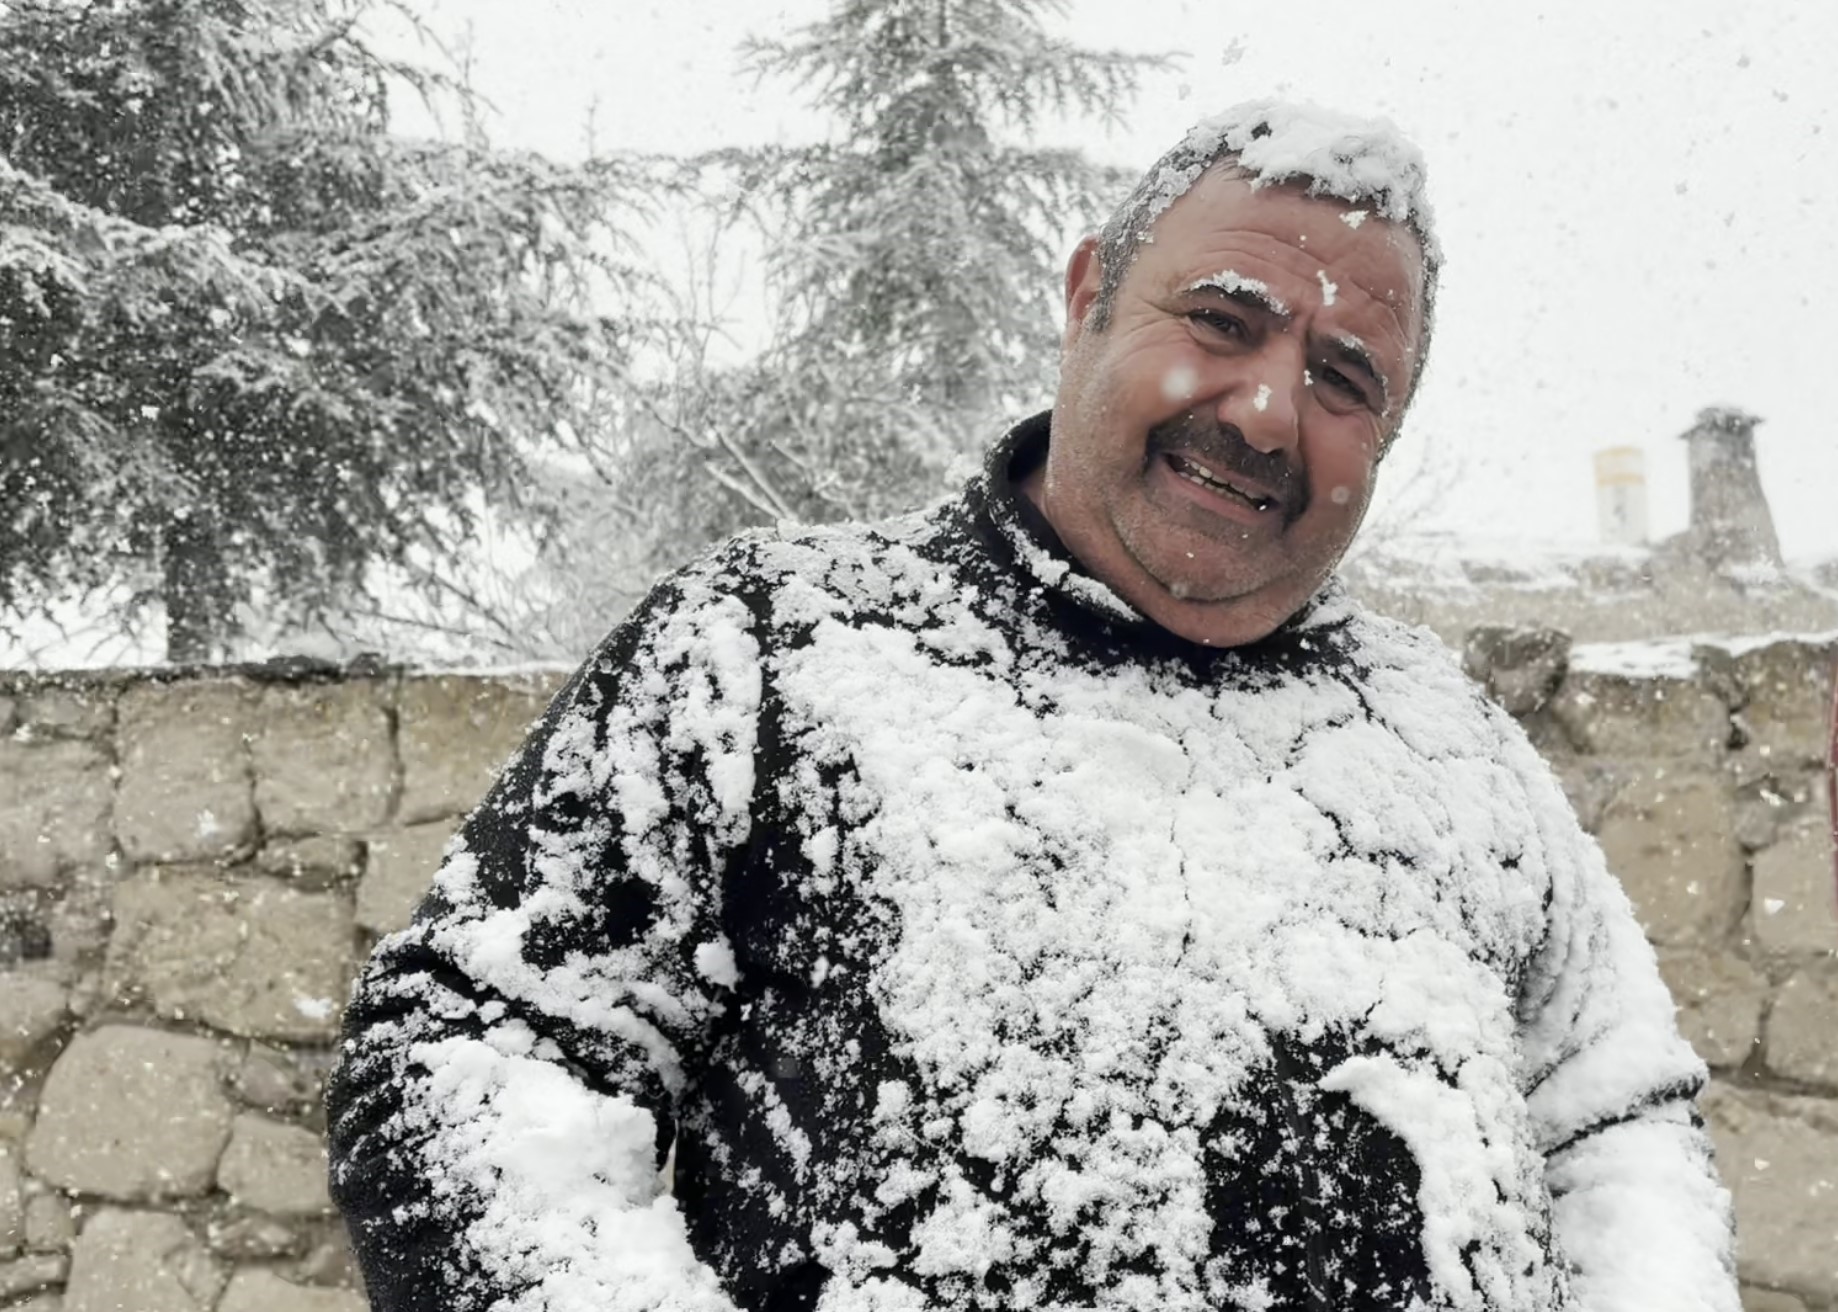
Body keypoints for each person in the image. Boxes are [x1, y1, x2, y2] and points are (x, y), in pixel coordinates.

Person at [327, 100, 1740, 1312]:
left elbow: (1618, 1136)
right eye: (1221, 322)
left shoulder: (1457, 748)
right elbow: (481, 1061)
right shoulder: (776, 645)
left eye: (1342, 380)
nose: (1262, 411)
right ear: (1085, 298)